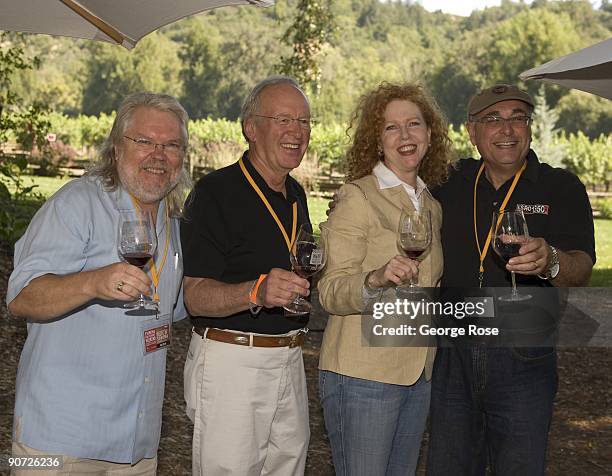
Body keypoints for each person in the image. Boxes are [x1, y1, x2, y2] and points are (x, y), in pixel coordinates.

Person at [6, 92, 191, 474]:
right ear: (117, 148)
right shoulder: (76, 204)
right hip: (59, 440)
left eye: (171, 145)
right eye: (144, 142)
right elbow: (22, 297)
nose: (159, 154)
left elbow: (173, 309)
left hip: (136, 444)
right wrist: (92, 283)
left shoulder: (173, 224)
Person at [426, 84, 596, 475]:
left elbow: (582, 269)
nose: (507, 129)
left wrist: (551, 261)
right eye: (493, 119)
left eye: (518, 117)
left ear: (530, 127)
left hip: (525, 356)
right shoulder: (448, 182)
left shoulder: (561, 187)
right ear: (471, 131)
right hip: (453, 352)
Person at [317, 82, 453, 475]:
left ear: (430, 134)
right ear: (377, 141)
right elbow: (329, 291)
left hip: (418, 373)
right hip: (362, 376)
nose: (405, 135)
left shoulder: (431, 206)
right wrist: (374, 280)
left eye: (414, 124)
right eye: (391, 128)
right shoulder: (357, 197)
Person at [180, 76, 312, 476]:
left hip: (289, 358)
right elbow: (195, 295)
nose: (297, 132)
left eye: (305, 122)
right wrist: (257, 291)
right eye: (283, 119)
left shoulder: (297, 195)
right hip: (232, 362)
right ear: (250, 128)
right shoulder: (215, 192)